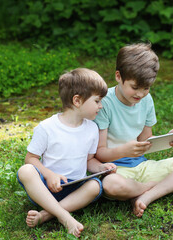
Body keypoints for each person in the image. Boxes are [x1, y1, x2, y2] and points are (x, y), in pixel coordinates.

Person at [94, 43, 173, 218]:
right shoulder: (104, 104)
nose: (140, 94)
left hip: (142, 166)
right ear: (118, 76)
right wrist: (124, 150)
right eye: (135, 87)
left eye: (146, 88)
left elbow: (146, 140)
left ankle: (146, 196)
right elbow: (99, 153)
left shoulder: (146, 100)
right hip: (115, 170)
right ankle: (163, 187)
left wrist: (167, 140)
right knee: (111, 185)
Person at [17, 68, 116, 238]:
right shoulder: (47, 127)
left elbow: (89, 160)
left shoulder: (92, 128)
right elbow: (30, 159)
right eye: (97, 101)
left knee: (95, 185)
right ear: (77, 100)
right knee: (25, 171)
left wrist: (101, 167)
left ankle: (46, 215)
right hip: (46, 190)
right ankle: (65, 217)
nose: (101, 106)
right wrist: (49, 175)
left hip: (75, 189)